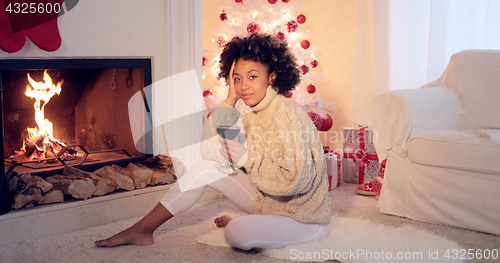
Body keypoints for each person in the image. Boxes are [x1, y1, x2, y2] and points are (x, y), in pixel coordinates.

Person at [95, 33, 331, 250]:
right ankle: (142, 229)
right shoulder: (251, 116)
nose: (243, 85)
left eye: (252, 76)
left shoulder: (286, 111)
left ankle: (253, 225)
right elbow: (208, 151)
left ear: (272, 76)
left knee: (237, 233)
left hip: (302, 217)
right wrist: (229, 99)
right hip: (271, 203)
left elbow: (296, 181)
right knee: (206, 165)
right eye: (237, 79)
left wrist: (248, 158)